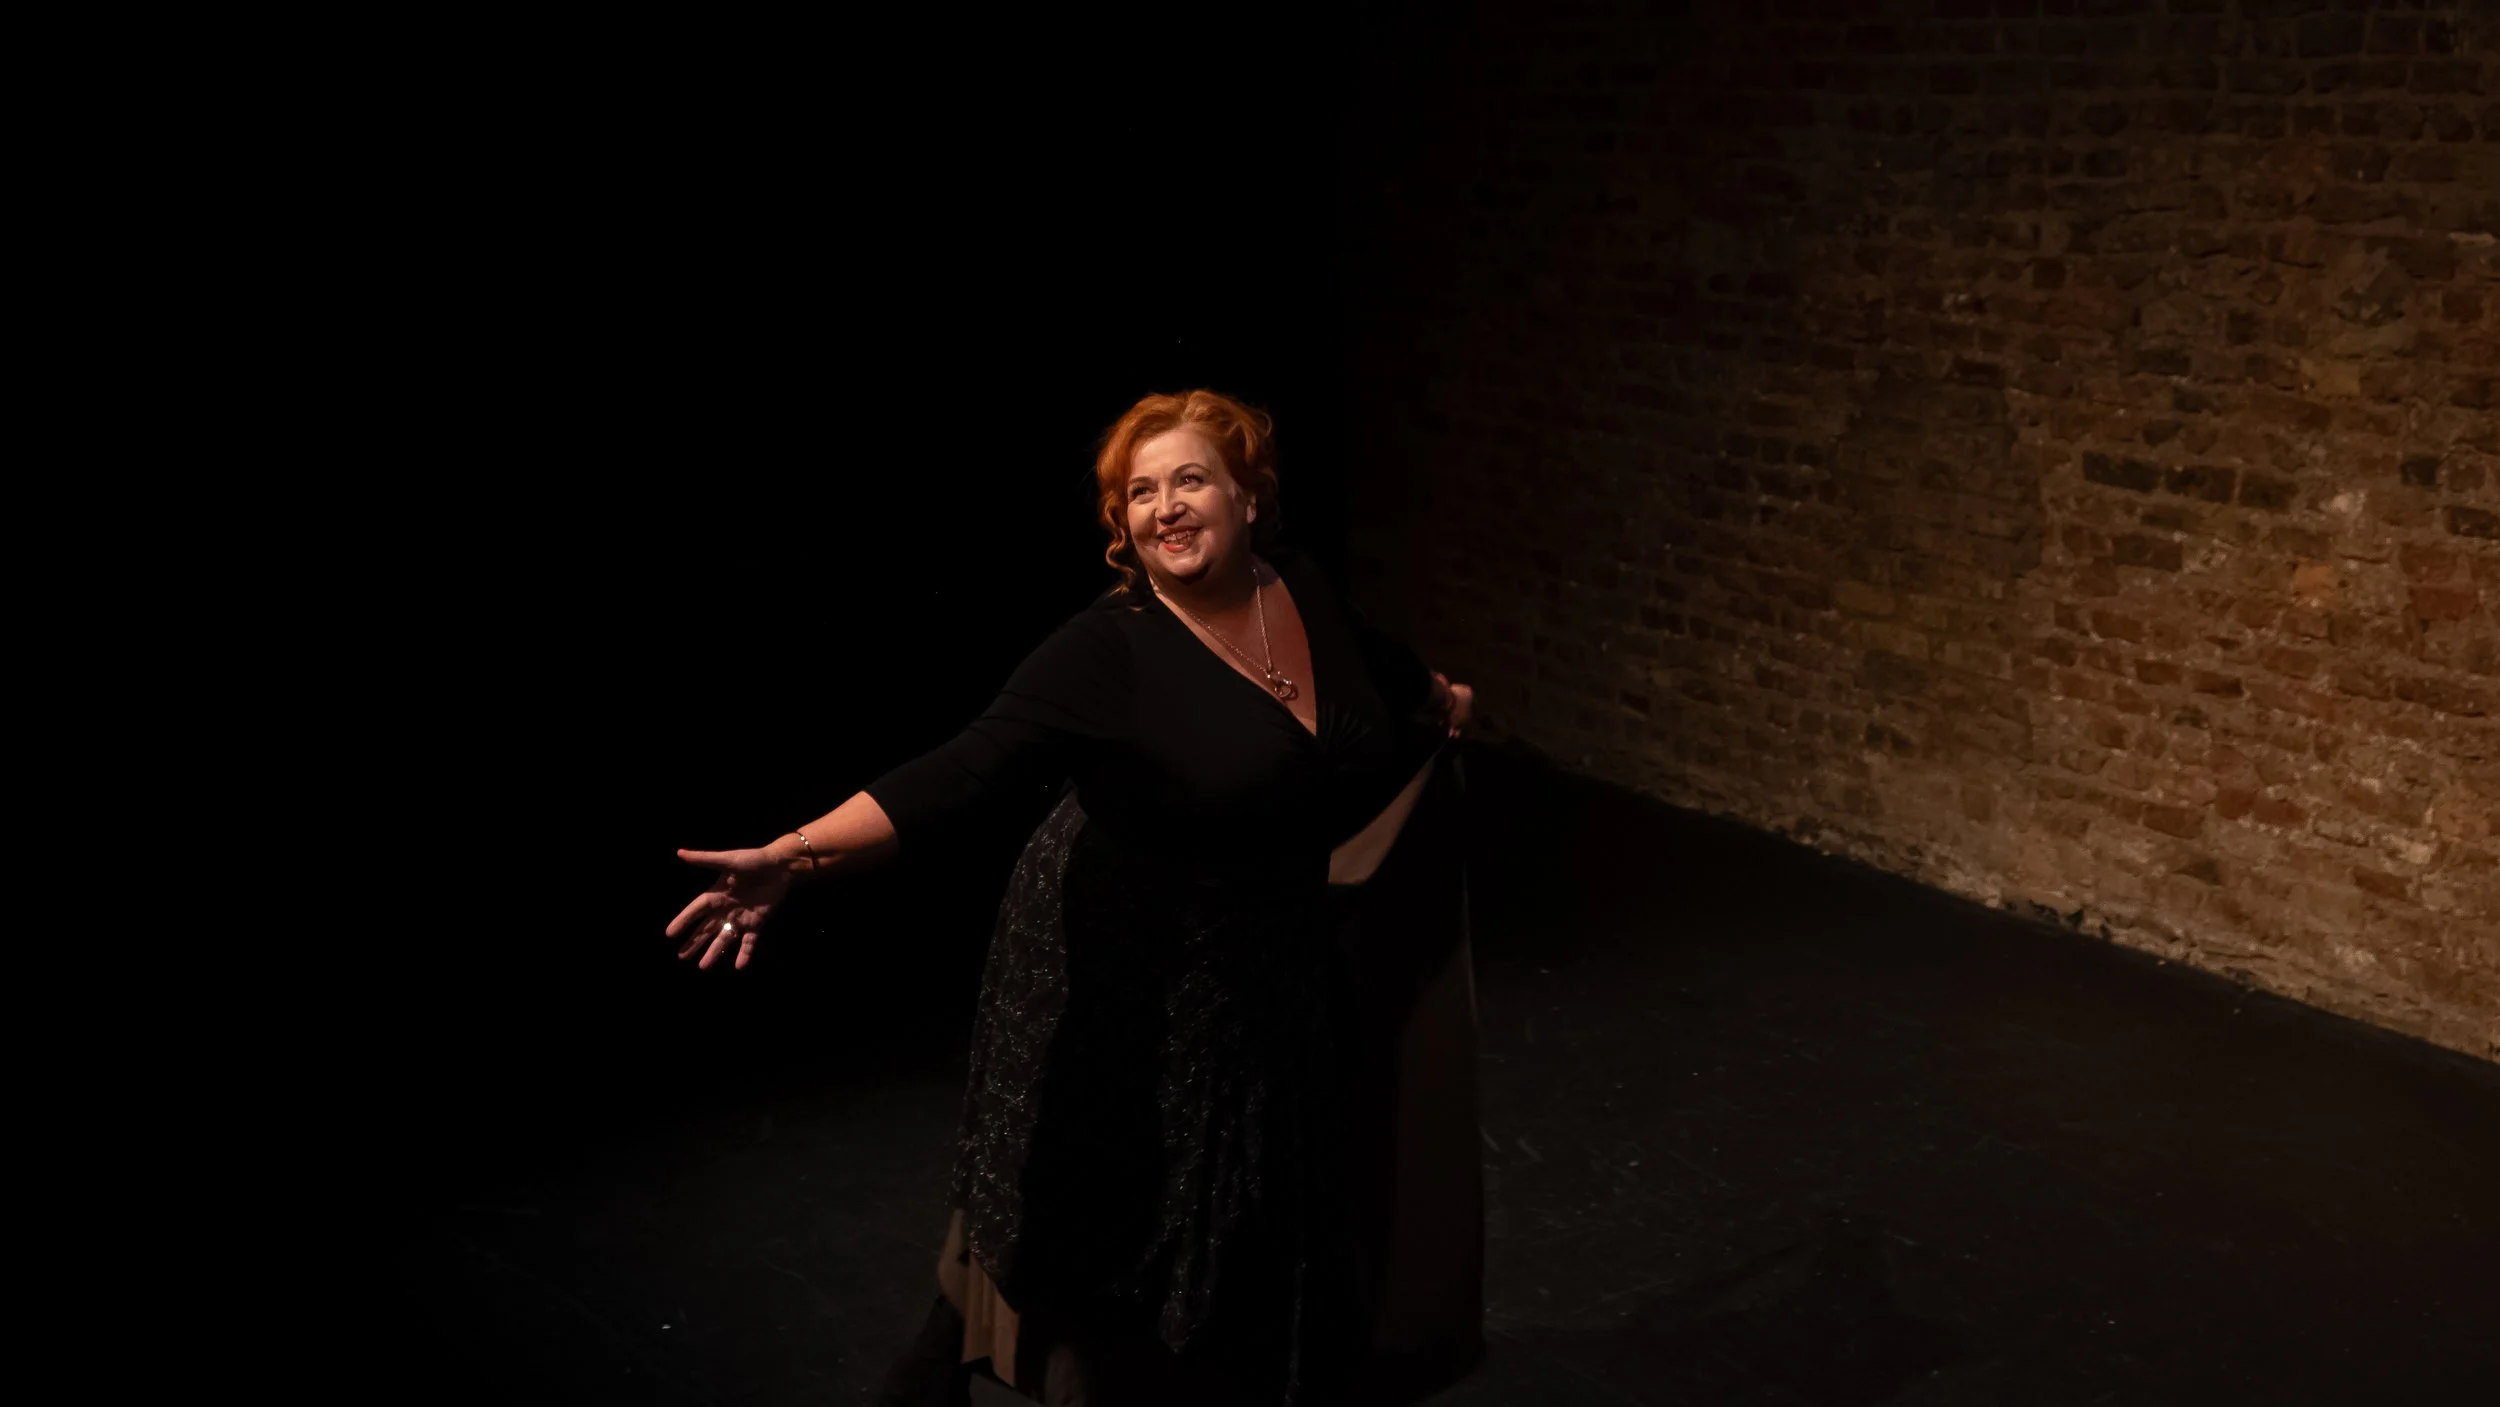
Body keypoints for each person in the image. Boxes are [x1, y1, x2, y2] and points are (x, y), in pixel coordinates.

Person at [665, 390, 1481, 1405]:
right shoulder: (1108, 649)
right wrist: (795, 853)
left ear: (1248, 497)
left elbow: (1385, 677)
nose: (1164, 509)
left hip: (1264, 949)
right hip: (1118, 939)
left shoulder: (1298, 587)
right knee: (1089, 1192)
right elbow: (961, 769)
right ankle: (960, 1368)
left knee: (1242, 1191)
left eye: (1188, 480)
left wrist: (1433, 705)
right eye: (1139, 494)